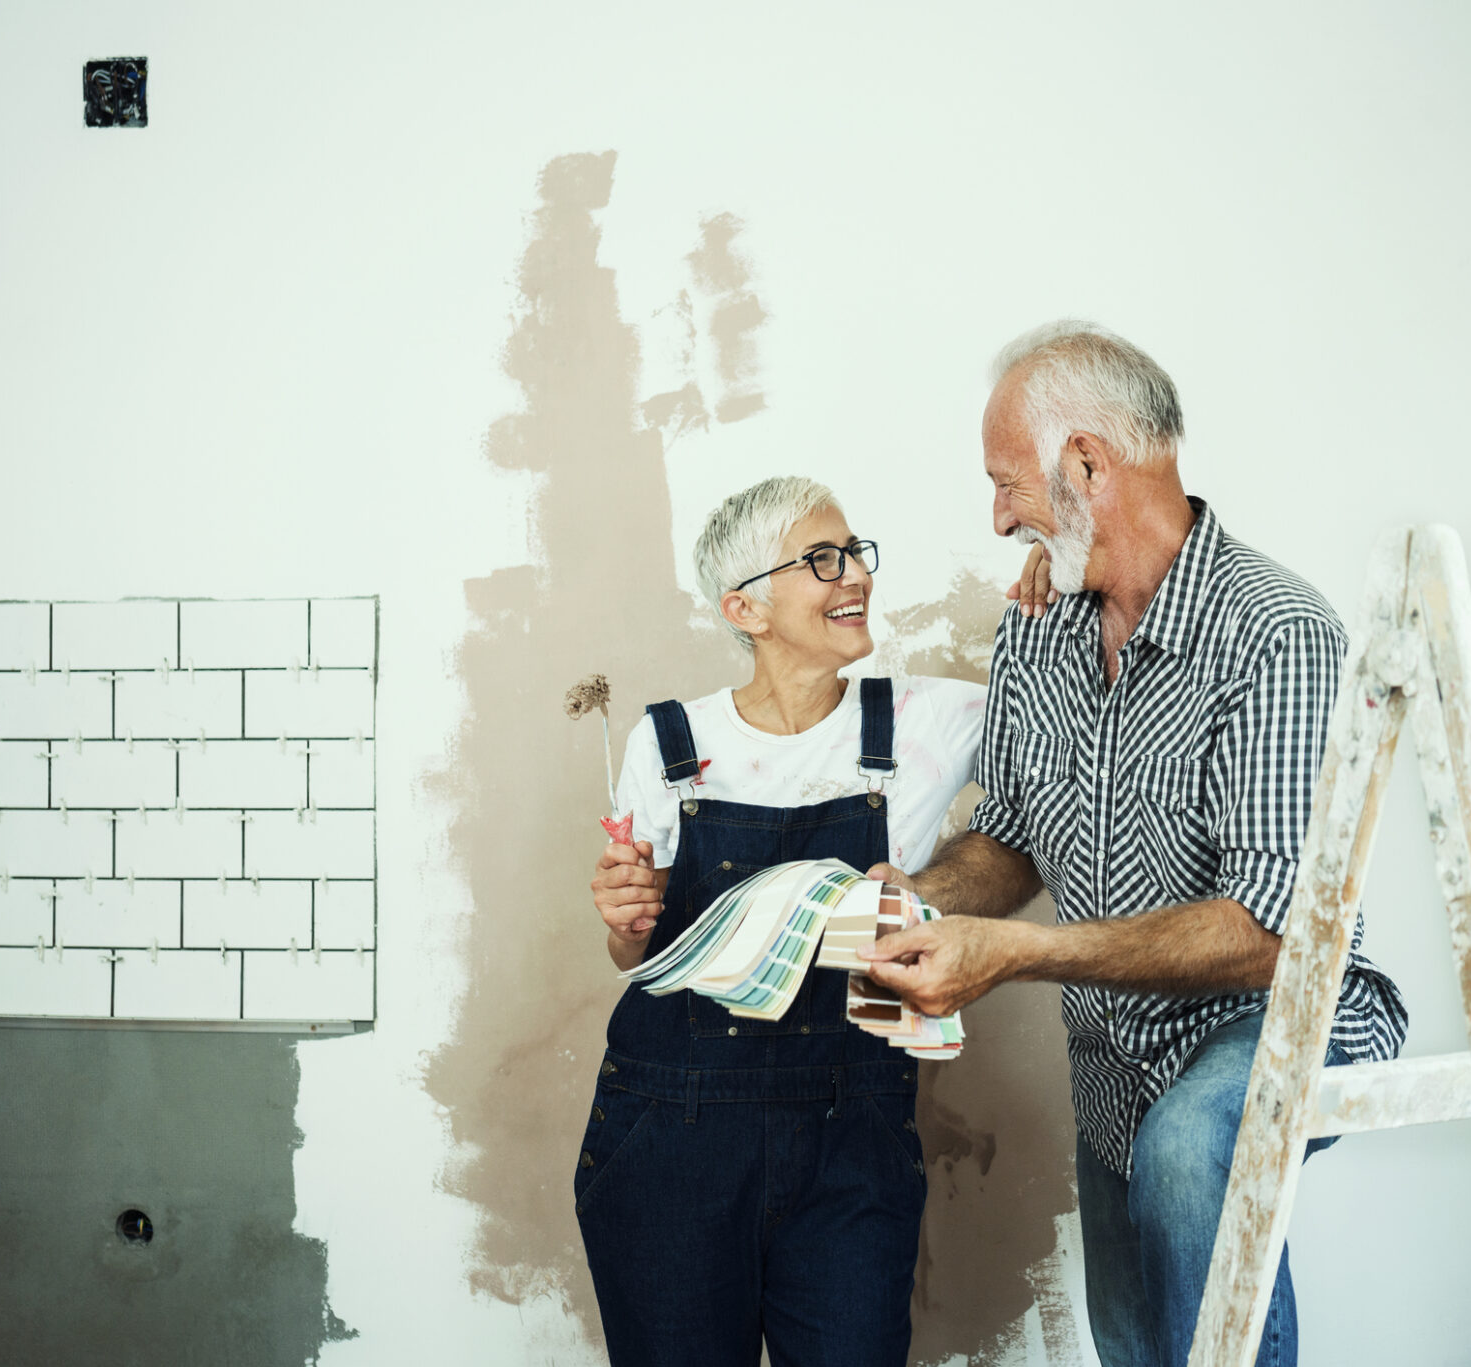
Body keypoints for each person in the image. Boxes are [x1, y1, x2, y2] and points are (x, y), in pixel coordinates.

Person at [858, 322, 1409, 1367]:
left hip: (1268, 1020)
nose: (996, 515)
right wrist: (923, 896)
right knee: (1140, 1348)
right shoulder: (1038, 627)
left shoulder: (1278, 631)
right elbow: (1012, 837)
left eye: (1004, 482)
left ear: (1085, 464)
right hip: (1114, 1056)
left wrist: (1015, 954)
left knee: (1189, 1150)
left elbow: (1269, 931)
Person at [578, 475, 1016, 1367]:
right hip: (670, 1134)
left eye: (856, 552)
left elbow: (1063, 705)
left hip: (851, 1135)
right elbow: (639, 948)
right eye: (822, 559)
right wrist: (625, 917)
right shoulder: (668, 746)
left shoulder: (931, 720)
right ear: (746, 607)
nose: (854, 574)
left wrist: (1051, 571)